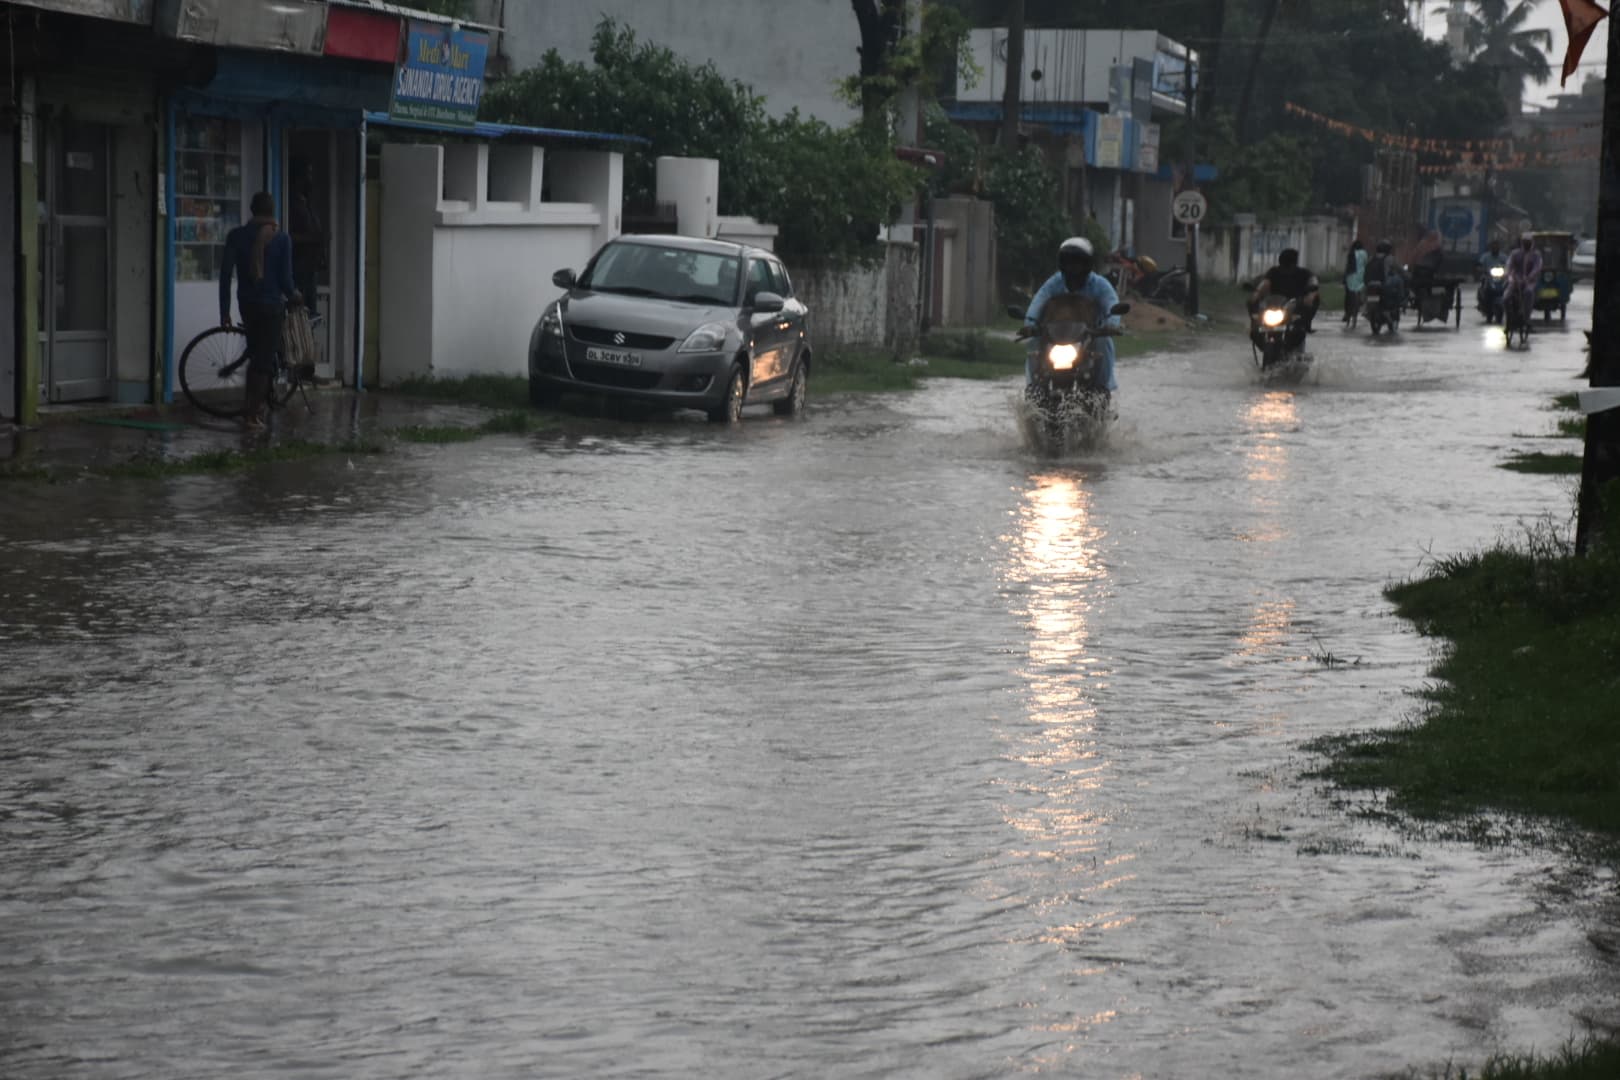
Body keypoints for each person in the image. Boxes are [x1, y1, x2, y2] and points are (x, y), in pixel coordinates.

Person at [220, 191, 301, 429]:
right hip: (271, 306)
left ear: (252, 210)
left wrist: (224, 311)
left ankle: (250, 408)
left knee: (255, 356)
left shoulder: (236, 236)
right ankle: (251, 415)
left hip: (247, 303)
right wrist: (296, 295)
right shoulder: (282, 239)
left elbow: (225, 275)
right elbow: (286, 281)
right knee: (264, 362)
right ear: (272, 212)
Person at [1021, 236, 1123, 393]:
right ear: (1062, 263)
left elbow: (1112, 305)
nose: (1073, 267)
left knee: (1104, 342)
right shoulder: (1054, 283)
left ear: (1087, 264)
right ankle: (1034, 387)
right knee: (1034, 342)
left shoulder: (1100, 285)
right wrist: (1030, 324)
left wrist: (1112, 323)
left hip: (1090, 336)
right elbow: (1037, 302)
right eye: (1068, 262)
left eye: (1078, 262)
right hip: (1057, 335)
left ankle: (1102, 388)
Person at [1248, 247, 1320, 345]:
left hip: (1295, 306)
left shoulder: (1304, 273)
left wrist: (1310, 296)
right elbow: (1265, 283)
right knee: (1252, 306)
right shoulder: (1274, 271)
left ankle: (1305, 325)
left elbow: (1313, 285)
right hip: (1275, 305)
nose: (1286, 267)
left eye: (1288, 263)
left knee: (1299, 324)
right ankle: (1255, 324)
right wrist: (1257, 294)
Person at [288, 159, 325, 320]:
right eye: (307, 174)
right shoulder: (292, 204)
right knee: (299, 317)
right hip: (299, 269)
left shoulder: (306, 203)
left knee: (310, 317)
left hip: (310, 269)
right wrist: (313, 238)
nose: (311, 179)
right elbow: (288, 235)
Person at [1505, 233, 1543, 329]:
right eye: (1525, 242)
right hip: (1516, 280)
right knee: (1506, 298)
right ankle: (1509, 318)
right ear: (1522, 242)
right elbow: (1509, 265)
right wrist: (1510, 276)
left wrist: (1529, 277)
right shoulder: (1515, 253)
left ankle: (1526, 318)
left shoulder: (1536, 255)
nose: (1527, 244)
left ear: (1532, 243)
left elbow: (1537, 267)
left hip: (1529, 282)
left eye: (1528, 242)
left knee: (1528, 293)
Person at [1342, 239, 1368, 324]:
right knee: (1360, 293)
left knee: (1348, 295)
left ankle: (1347, 313)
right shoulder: (1364, 253)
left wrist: (1344, 277)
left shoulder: (1351, 253)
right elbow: (1365, 263)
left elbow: (1348, 266)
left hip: (1350, 277)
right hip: (1360, 276)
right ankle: (1359, 305)